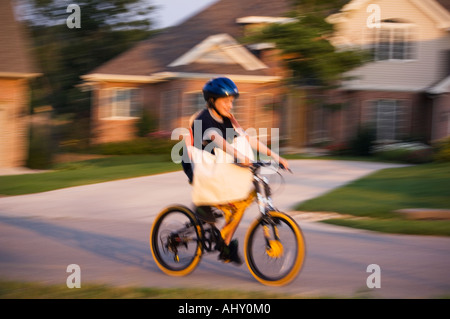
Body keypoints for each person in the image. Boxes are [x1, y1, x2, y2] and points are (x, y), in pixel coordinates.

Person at [182, 77, 290, 265]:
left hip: (215, 162)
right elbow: (217, 140)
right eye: (226, 101)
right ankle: (201, 207)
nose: (230, 105)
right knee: (216, 204)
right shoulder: (204, 119)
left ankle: (223, 244)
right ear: (212, 101)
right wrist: (239, 156)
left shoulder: (227, 120)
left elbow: (247, 139)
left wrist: (275, 156)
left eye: (232, 101)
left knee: (240, 202)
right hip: (195, 163)